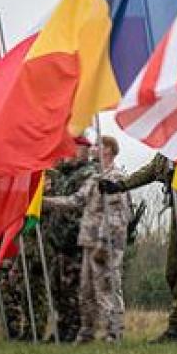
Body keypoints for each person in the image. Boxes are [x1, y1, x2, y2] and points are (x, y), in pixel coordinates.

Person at [101, 153, 177, 342]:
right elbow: (152, 170)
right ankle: (176, 326)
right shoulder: (169, 147)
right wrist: (121, 186)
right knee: (174, 271)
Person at [43, 136, 132, 343]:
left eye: (99, 146)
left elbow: (116, 215)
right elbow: (76, 200)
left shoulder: (115, 178)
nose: (93, 149)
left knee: (107, 288)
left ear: (109, 149)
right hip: (89, 242)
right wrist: (44, 202)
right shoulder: (95, 178)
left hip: (106, 243)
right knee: (87, 292)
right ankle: (86, 332)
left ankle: (114, 332)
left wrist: (103, 243)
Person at [41, 156, 98, 342]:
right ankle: (63, 326)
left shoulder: (88, 174)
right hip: (58, 240)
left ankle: (74, 328)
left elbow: (77, 202)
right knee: (57, 287)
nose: (69, 155)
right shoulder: (63, 176)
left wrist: (47, 201)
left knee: (73, 289)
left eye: (75, 150)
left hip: (74, 240)